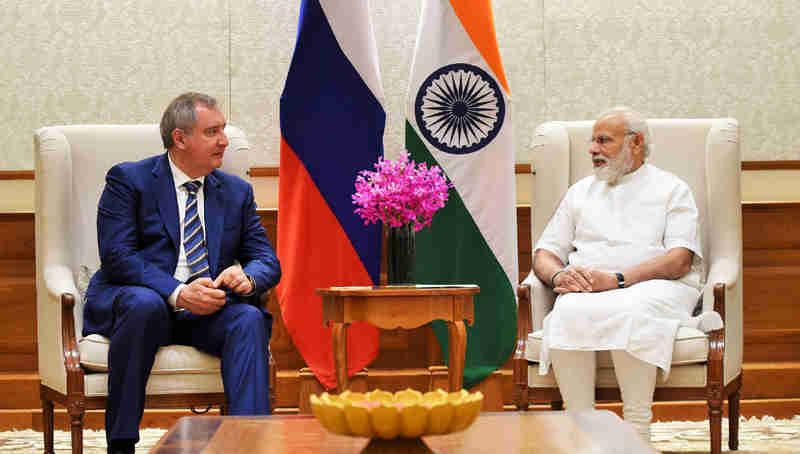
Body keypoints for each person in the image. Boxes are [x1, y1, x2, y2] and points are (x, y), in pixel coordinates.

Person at [84, 92, 281, 454]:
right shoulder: (129, 180)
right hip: (145, 305)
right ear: (180, 139)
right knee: (144, 304)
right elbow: (117, 256)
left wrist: (248, 277)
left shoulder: (236, 192)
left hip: (207, 310)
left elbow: (266, 259)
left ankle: (249, 444)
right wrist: (177, 291)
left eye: (223, 130)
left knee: (248, 318)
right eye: (212, 132)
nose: (224, 140)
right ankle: (121, 444)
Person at [529, 106, 720, 442]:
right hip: (590, 289)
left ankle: (636, 433)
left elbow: (679, 260)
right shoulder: (580, 192)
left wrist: (616, 279)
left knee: (632, 310)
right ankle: (581, 433)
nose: (592, 150)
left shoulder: (671, 189)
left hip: (658, 286)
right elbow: (544, 253)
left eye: (604, 141)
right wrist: (559, 277)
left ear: (636, 143)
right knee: (569, 310)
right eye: (592, 142)